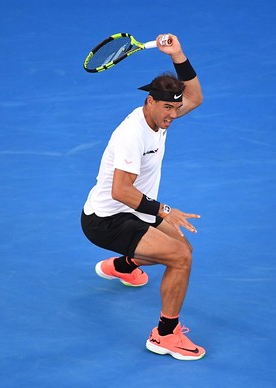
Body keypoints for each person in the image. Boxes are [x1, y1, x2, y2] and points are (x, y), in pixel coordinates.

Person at [80, 33, 205, 361]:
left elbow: (196, 96)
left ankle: (123, 265)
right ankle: (165, 334)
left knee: (183, 249)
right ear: (149, 101)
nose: (173, 115)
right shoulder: (131, 134)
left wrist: (177, 53)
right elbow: (120, 191)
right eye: (167, 107)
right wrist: (165, 211)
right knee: (180, 258)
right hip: (107, 220)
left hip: (134, 209)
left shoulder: (162, 119)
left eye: (176, 108)